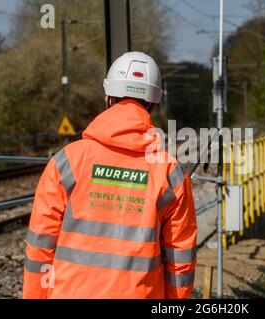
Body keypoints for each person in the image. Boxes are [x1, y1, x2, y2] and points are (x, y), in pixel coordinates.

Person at [22, 52, 197, 299]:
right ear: (154, 104)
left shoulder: (67, 162)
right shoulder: (170, 172)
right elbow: (181, 259)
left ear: (108, 98)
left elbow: (40, 247)